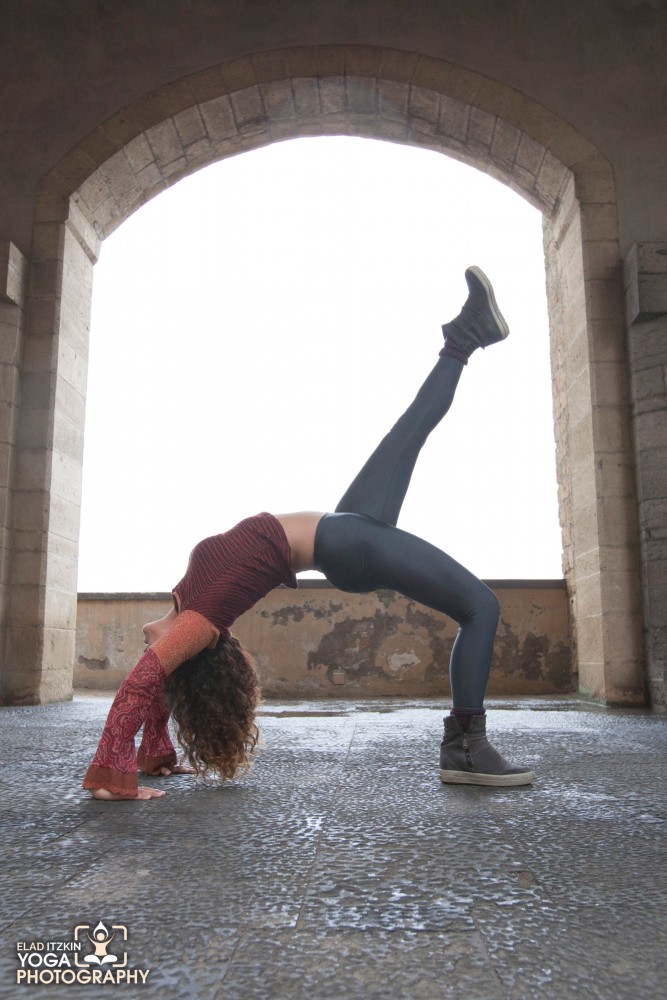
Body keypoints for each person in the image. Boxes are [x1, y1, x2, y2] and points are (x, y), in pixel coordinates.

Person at [83, 266, 534, 801]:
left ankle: (465, 336)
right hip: (344, 546)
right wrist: (113, 780)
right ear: (191, 657)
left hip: (340, 531)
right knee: (481, 606)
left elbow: (155, 698)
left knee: (409, 431)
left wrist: (155, 756)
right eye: (169, 662)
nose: (148, 651)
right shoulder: (198, 625)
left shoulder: (186, 598)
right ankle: (465, 748)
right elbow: (142, 687)